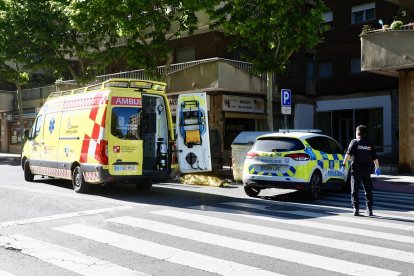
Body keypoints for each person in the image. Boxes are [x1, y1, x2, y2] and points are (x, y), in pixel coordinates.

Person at [342, 125, 381, 216]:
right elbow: (375, 157)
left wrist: (343, 164)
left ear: (357, 133)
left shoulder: (354, 142)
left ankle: (356, 209)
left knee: (354, 190)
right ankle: (369, 209)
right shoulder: (369, 143)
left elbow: (348, 154)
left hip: (356, 169)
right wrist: (377, 168)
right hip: (367, 169)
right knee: (368, 189)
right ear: (365, 134)